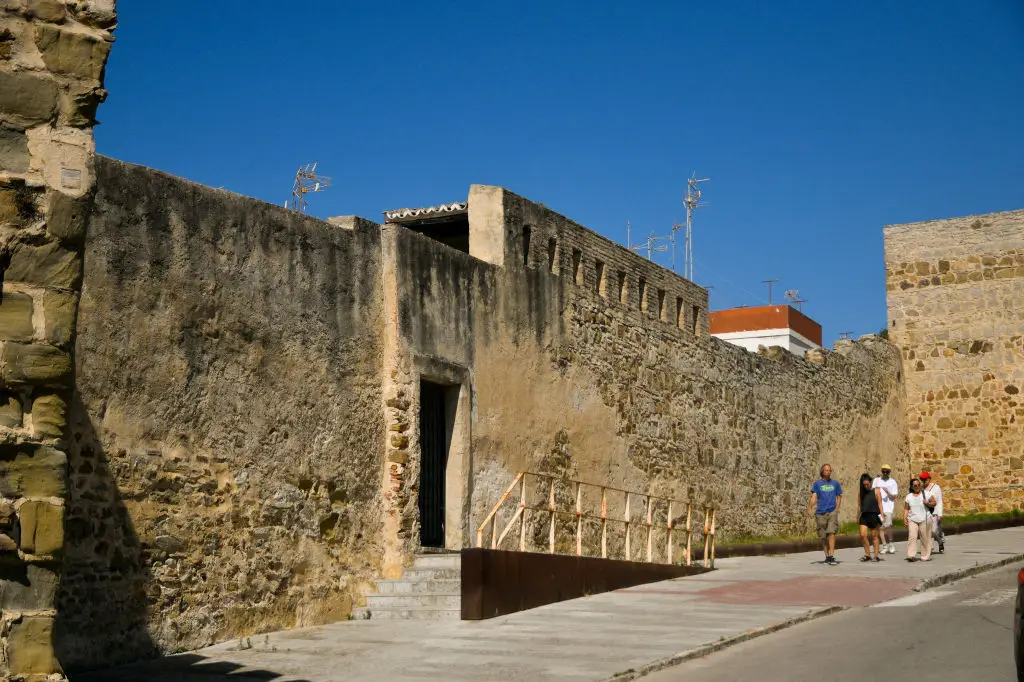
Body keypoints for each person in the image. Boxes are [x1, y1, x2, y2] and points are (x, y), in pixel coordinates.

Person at [808, 464, 842, 564]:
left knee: (831, 532)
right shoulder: (817, 484)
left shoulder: (835, 483)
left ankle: (831, 555)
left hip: (832, 511)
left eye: (829, 470)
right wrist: (810, 507)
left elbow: (839, 496)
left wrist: (837, 508)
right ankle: (827, 556)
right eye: (826, 470)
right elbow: (814, 496)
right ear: (822, 471)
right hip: (820, 512)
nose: (828, 472)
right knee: (823, 536)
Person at [872, 465, 899, 554]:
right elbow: (873, 491)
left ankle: (891, 543)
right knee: (880, 527)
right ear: (881, 471)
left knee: (888, 526)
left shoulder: (893, 482)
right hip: (879, 507)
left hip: (888, 507)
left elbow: (894, 497)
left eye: (887, 471)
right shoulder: (877, 480)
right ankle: (884, 545)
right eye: (883, 471)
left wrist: (888, 492)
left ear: (889, 472)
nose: (885, 473)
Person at [858, 473, 884, 562]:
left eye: (867, 484)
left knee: (874, 536)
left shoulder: (876, 490)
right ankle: (867, 554)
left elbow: (880, 503)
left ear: (870, 482)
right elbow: (859, 505)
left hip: (874, 515)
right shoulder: (861, 492)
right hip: (864, 515)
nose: (866, 486)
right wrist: (857, 516)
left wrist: (882, 515)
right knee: (862, 535)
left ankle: (876, 555)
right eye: (864, 484)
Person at [904, 477, 931, 562]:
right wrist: (905, 518)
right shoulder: (909, 497)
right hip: (912, 519)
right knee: (912, 536)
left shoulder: (926, 493)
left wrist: (928, 503)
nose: (917, 487)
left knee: (924, 537)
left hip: (924, 519)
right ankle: (911, 555)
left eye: (918, 485)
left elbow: (934, 502)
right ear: (912, 487)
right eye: (915, 485)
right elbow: (906, 509)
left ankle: (924, 555)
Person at [921, 471, 944, 553]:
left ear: (929, 479)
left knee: (934, 531)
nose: (923, 481)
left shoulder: (936, 487)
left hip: (935, 512)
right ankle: (929, 547)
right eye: (922, 479)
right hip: (926, 513)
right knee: (926, 531)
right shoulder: (921, 488)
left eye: (925, 479)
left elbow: (939, 501)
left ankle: (940, 541)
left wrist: (940, 514)